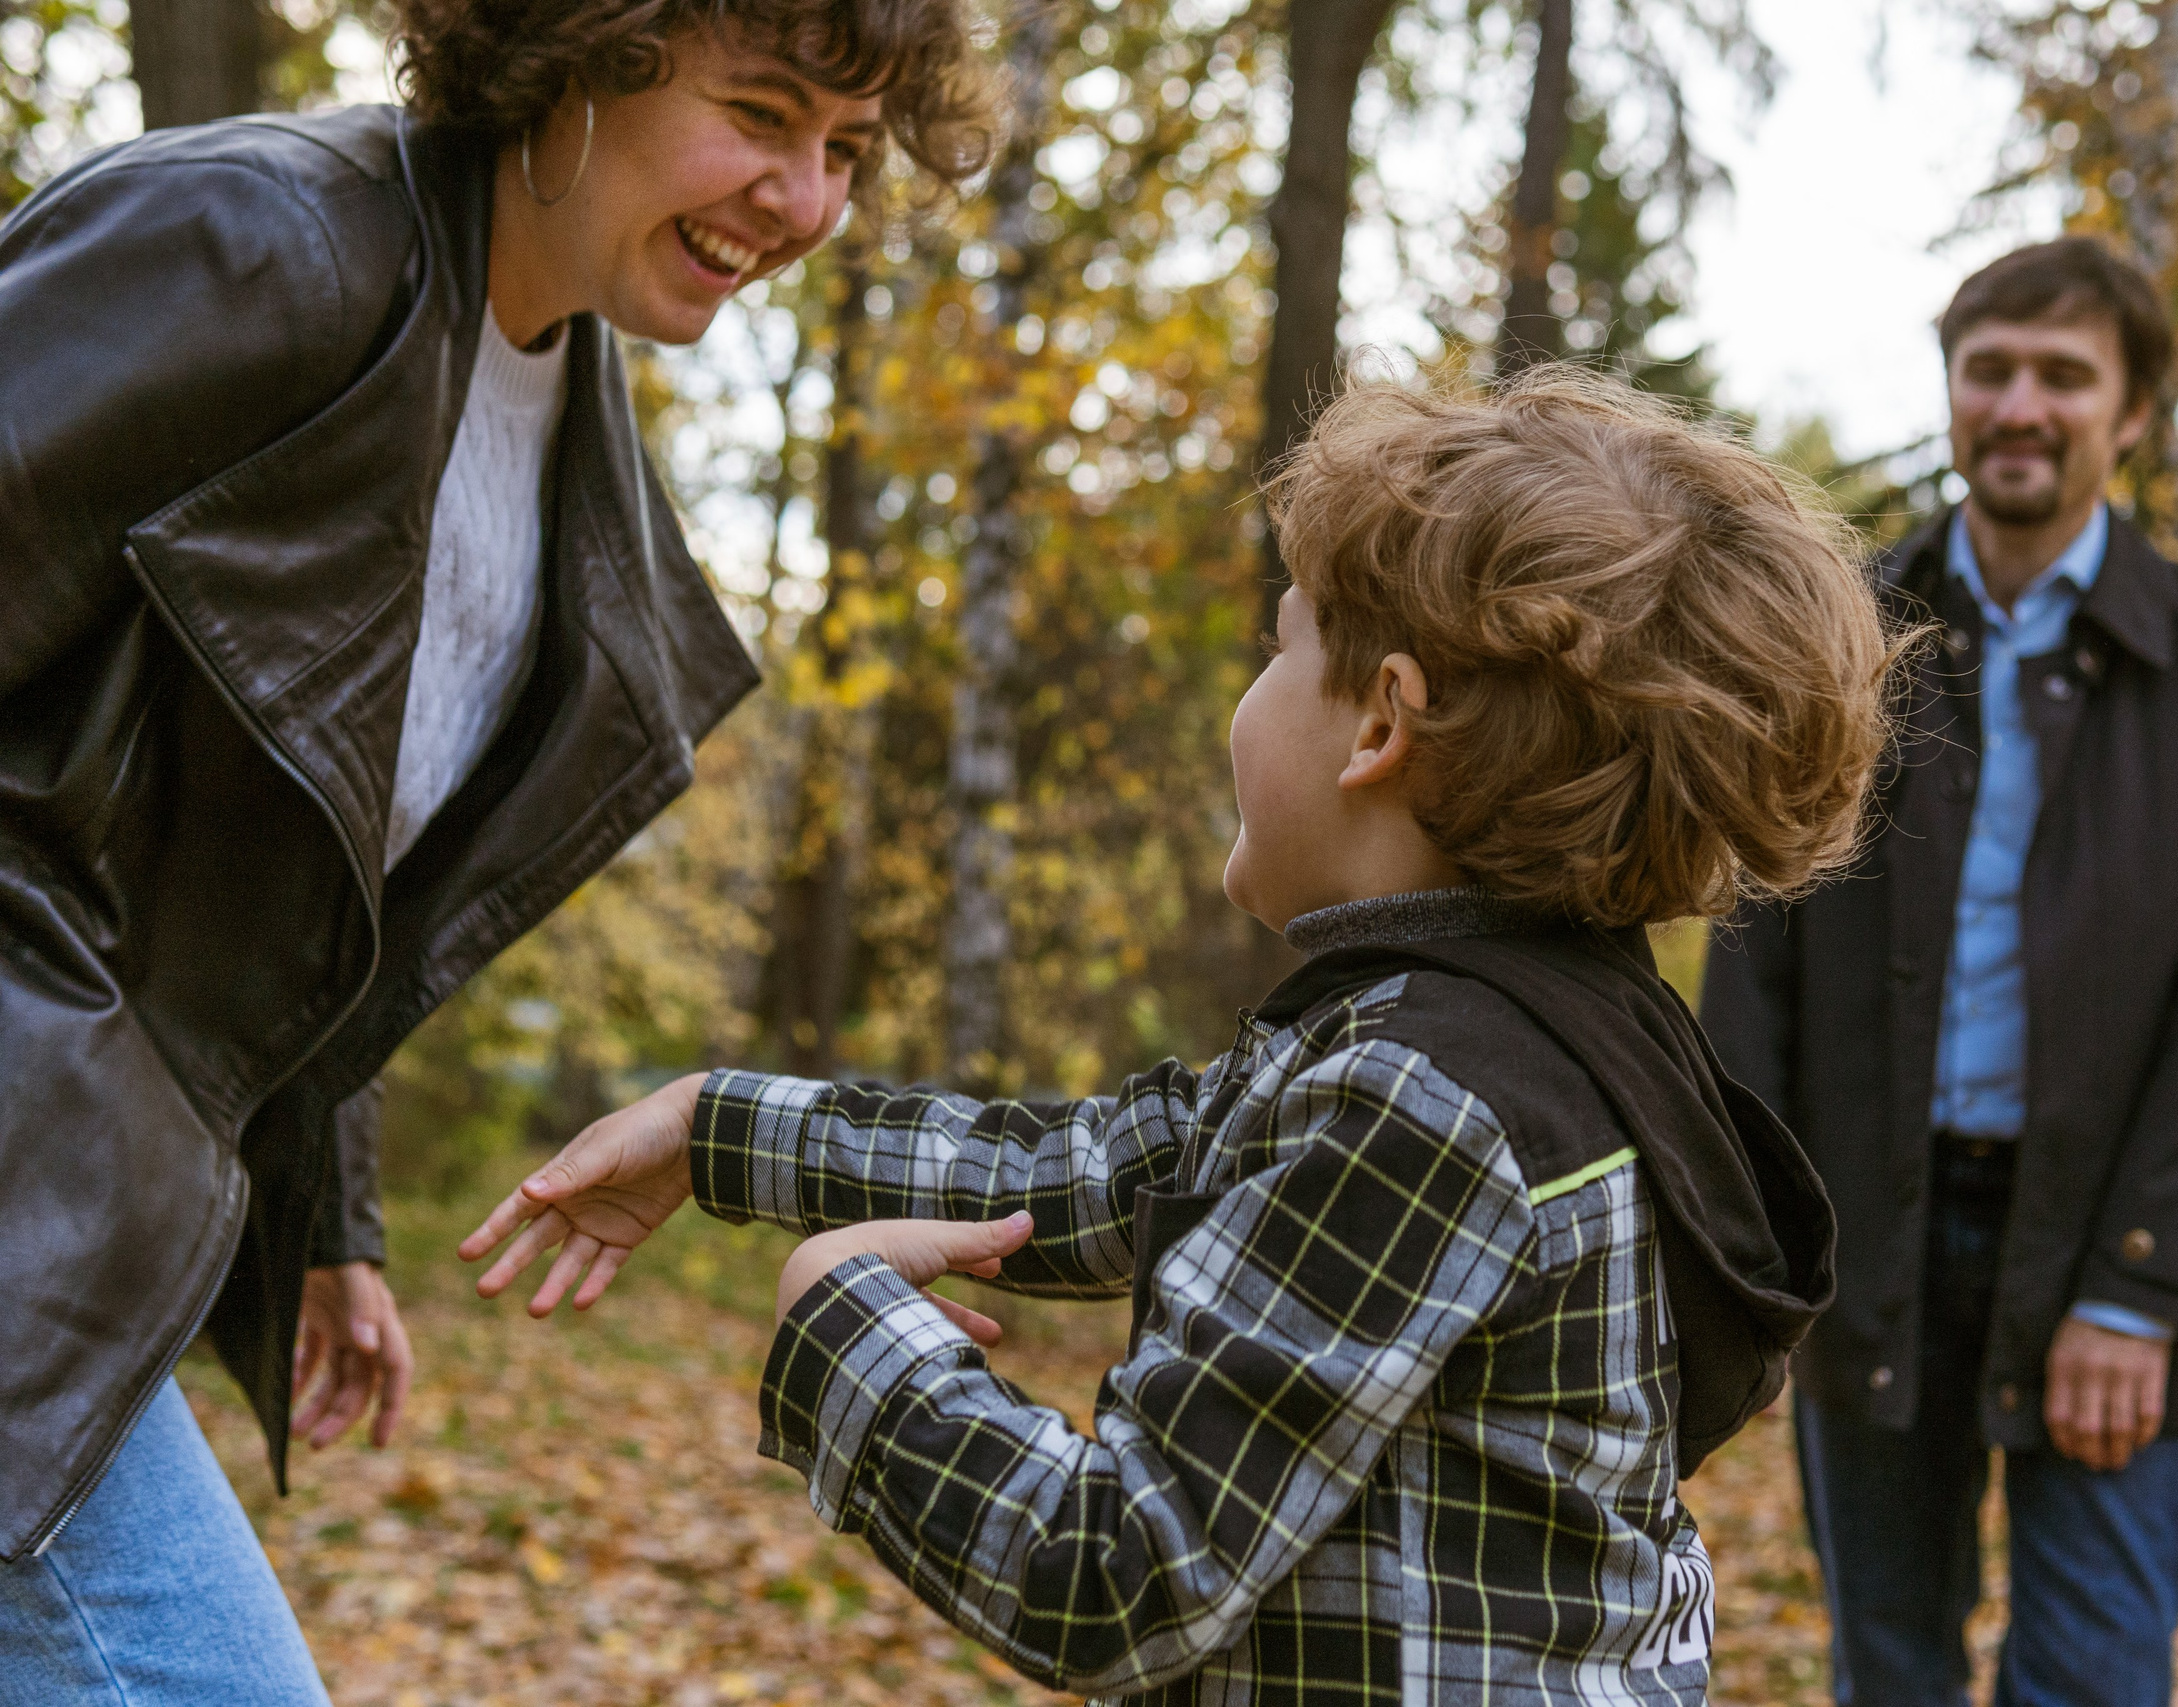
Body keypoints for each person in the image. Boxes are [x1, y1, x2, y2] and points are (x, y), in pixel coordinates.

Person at [461, 367, 1893, 1702]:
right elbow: (1097, 1168)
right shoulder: (1508, 1033)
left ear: (1379, 725)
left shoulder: (1426, 1098)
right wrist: (721, 1127)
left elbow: (1113, 1573)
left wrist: (844, 1325)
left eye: (1279, 652)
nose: (1244, 703)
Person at [0, 2, 992, 1700]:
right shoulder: (260, 241)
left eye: (846, 149)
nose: (809, 200)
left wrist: (325, 1215)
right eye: (760, 112)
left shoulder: (560, 425)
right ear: (573, 52)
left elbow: (300, 852)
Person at [1701, 235, 2178, 1706]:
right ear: (1954, 389)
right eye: (1992, 371)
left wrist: (2143, 1293)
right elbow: (1755, 944)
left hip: (2103, 1249)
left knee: (2093, 1673)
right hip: (1872, 1238)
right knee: (1888, 1666)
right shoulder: (1841, 630)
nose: (2021, 406)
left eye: (2064, 376)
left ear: (2134, 414)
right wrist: (1755, 1249)